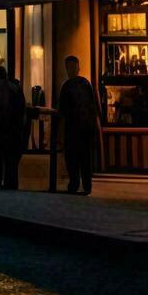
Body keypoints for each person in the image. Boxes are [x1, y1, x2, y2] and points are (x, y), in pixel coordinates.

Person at [57, 55, 100, 195]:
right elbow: (93, 106)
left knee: (72, 157)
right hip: (86, 127)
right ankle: (87, 185)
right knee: (85, 157)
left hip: (73, 128)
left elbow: (62, 110)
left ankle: (74, 184)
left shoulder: (67, 86)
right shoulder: (85, 84)